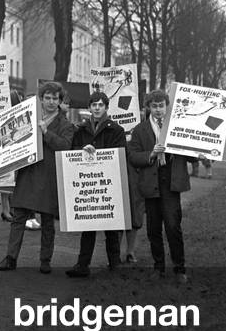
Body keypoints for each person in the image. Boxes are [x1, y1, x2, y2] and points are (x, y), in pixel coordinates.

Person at [0, 81, 74, 274]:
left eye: (55, 98)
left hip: (49, 177)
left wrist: (46, 133)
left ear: (60, 101)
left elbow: (64, 146)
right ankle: (10, 258)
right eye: (47, 98)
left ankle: (45, 260)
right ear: (41, 99)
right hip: (28, 173)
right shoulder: (28, 117)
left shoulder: (66, 125)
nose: (51, 102)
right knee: (18, 217)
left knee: (47, 222)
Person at [126, 89, 197, 283]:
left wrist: (196, 149)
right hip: (150, 182)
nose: (158, 110)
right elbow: (132, 156)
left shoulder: (178, 127)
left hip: (171, 182)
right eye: (154, 106)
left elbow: (191, 155)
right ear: (148, 108)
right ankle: (159, 267)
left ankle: (179, 268)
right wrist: (150, 153)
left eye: (161, 106)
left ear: (167, 107)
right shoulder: (140, 130)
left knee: (173, 226)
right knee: (153, 228)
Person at [66, 92, 128, 277]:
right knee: (88, 226)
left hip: (108, 184)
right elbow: (72, 152)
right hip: (88, 186)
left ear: (107, 107)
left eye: (101, 105)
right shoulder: (81, 129)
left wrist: (97, 152)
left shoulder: (116, 130)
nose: (97, 108)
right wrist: (82, 150)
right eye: (94, 105)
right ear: (89, 107)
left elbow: (120, 154)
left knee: (111, 226)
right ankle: (82, 265)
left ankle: (114, 264)